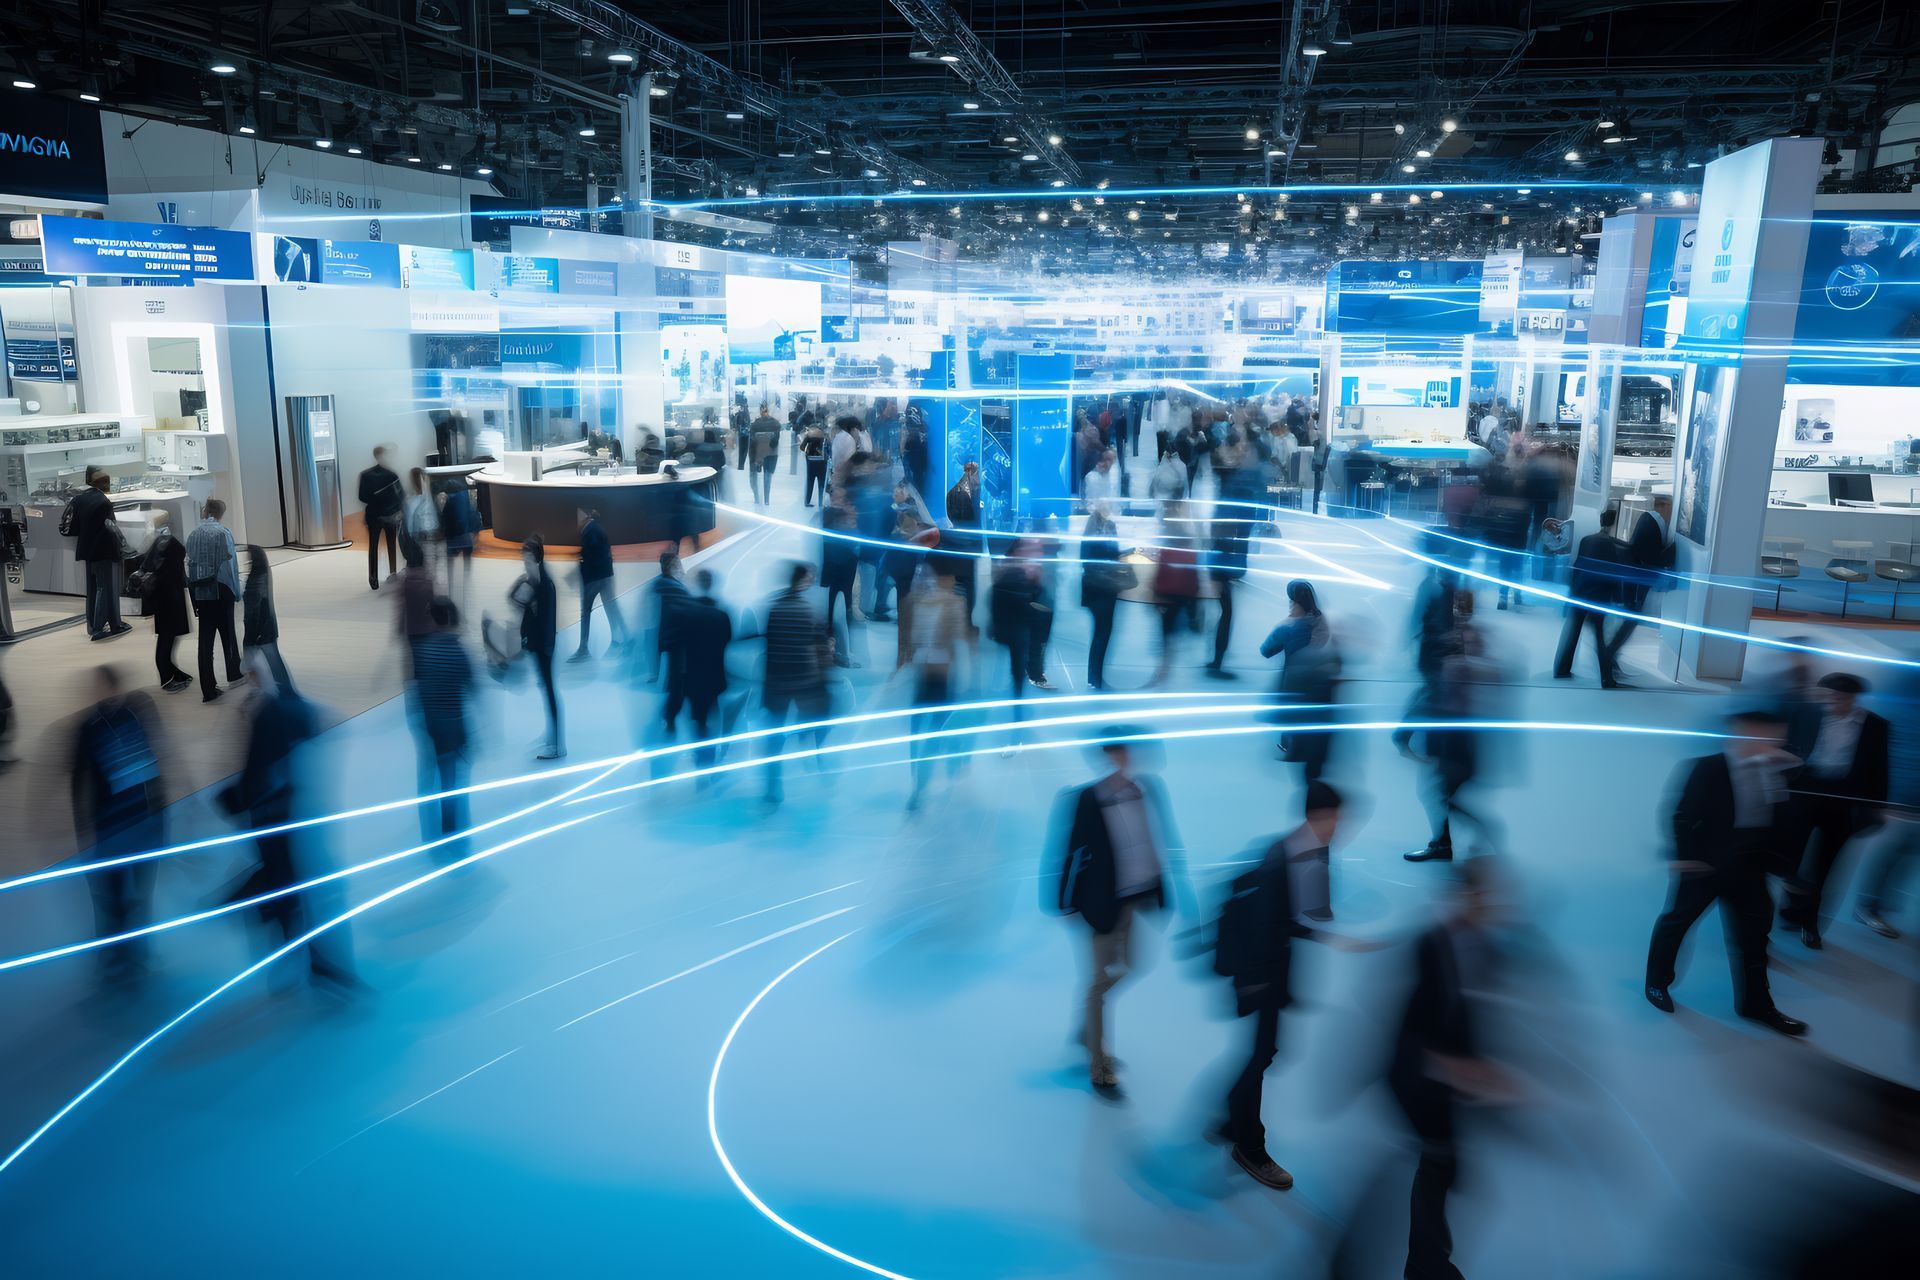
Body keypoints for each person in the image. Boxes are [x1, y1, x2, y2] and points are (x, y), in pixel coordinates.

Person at [1389, 855, 1522, 1280]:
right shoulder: (1430, 946)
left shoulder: (1488, 948)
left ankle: (1426, 1261)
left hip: (1453, 1079)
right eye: (1485, 895)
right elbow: (1411, 1036)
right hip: (1420, 1082)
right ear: (1465, 897)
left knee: (1444, 1167)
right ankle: (1424, 1265)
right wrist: (1467, 1072)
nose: (1495, 904)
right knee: (1436, 1164)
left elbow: (1480, 1011)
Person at [1210, 781, 1347, 1191]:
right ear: (1316, 817)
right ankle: (1249, 1146)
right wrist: (1252, 986)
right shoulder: (1279, 862)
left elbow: (1303, 915)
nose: (1340, 828)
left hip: (1272, 973)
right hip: (1260, 978)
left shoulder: (1304, 851)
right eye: (1335, 819)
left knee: (1262, 1053)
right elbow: (1261, 926)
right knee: (1259, 1056)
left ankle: (1230, 1117)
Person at [1644, 709, 1808, 1036]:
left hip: (1750, 867)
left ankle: (1756, 1006)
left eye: (1776, 737)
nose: (1773, 743)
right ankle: (1657, 983)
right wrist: (1684, 857)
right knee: (1677, 923)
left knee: (1754, 937)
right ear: (1741, 733)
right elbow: (1680, 814)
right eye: (1764, 735)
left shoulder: (1778, 771)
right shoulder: (1707, 768)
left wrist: (1787, 871)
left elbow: (1782, 825)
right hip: (1705, 865)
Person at [1053, 733, 1185, 1099]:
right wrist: (1062, 901)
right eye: (1123, 751)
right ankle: (1099, 1064)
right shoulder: (1086, 798)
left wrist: (1163, 887)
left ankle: (1087, 1023)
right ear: (1109, 755)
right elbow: (1069, 850)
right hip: (1102, 903)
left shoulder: (1147, 790)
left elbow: (1155, 838)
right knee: (1099, 981)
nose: (1130, 757)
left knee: (1132, 965)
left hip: (1136, 897)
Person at [217, 652, 359, 992]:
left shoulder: (264, 711)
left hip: (271, 817)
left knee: (284, 887)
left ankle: (299, 957)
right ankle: (311, 962)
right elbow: (318, 722)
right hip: (278, 817)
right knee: (289, 887)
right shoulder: (271, 710)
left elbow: (253, 770)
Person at [67, 665, 165, 986]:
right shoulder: (97, 725)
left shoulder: (113, 721)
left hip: (123, 826)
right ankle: (124, 955)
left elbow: (152, 765)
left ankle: (123, 955)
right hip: (122, 826)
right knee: (118, 898)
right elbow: (79, 780)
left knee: (121, 897)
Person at [1778, 672, 1889, 948]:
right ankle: (1791, 911)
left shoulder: (1875, 726)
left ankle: (1810, 922)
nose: (1828, 704)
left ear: (1852, 699)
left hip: (1842, 801)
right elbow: (1786, 747)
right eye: (1824, 698)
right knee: (1790, 860)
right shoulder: (1805, 713)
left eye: (1836, 699)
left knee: (1824, 867)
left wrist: (1874, 808)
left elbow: (1880, 769)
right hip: (1804, 793)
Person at [408, 598, 476, 858]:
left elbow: (419, 691)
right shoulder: (459, 652)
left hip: (432, 726)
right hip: (454, 726)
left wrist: (422, 722)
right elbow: (471, 690)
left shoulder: (424, 652)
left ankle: (433, 835)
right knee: (452, 781)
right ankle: (453, 832)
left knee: (431, 778)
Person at [760, 562, 832, 807]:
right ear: (804, 581)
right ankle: (815, 763)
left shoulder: (775, 608)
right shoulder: (811, 611)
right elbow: (821, 650)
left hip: (778, 682)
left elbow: (770, 649)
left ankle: (772, 786)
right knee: (815, 724)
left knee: (774, 736)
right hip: (805, 681)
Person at [906, 557, 970, 809]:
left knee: (919, 730)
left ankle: (918, 785)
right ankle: (941, 771)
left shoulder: (919, 602)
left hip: (923, 672)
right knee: (936, 730)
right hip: (942, 675)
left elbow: (914, 639)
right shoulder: (954, 603)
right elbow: (958, 639)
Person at [1260, 580, 1340, 783]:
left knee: (1289, 712)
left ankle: (1291, 748)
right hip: (1316, 679)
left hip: (1292, 678)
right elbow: (1320, 644)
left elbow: (1266, 650)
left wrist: (1288, 623)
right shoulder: (1320, 619)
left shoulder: (1290, 628)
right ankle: (1299, 745)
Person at [664, 568, 733, 781]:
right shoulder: (722, 616)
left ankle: (703, 765)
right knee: (711, 718)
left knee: (699, 721)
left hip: (693, 678)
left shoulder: (687, 616)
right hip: (714, 677)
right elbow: (727, 641)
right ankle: (709, 761)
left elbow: (672, 644)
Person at [1552, 507, 1625, 688]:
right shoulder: (1612, 545)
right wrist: (1618, 597)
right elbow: (1614, 572)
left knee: (1573, 632)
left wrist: (1572, 592)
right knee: (1600, 638)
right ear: (1614, 522)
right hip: (1598, 596)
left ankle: (1561, 669)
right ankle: (1607, 678)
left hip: (1580, 593)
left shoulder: (1587, 540)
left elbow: (1578, 566)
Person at [1601, 493, 1675, 667]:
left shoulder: (1649, 521)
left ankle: (1609, 655)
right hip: (1637, 580)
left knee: (1629, 618)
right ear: (1663, 506)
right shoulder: (1653, 524)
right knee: (1630, 618)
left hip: (1635, 578)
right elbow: (1649, 555)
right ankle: (1608, 655)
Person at [185, 499, 242, 704]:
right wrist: (235, 591)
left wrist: (193, 598)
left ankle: (208, 689)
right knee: (228, 634)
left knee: (205, 643)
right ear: (220, 513)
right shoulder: (223, 533)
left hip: (201, 592)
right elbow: (230, 566)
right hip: (221, 590)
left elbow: (189, 567)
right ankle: (234, 672)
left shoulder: (193, 535)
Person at [515, 535, 564, 760]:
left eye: (526, 557)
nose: (523, 561)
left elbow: (547, 621)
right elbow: (520, 605)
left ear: (536, 558)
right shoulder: (533, 581)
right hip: (538, 646)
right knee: (547, 690)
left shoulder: (545, 584)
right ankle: (552, 735)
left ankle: (556, 745)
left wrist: (543, 648)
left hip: (544, 647)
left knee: (550, 691)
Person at [990, 540, 1051, 709]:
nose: (1039, 554)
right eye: (1033, 549)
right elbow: (1015, 600)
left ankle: (1018, 696)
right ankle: (1017, 701)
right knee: (1016, 664)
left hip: (1020, 627)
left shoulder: (1021, 569)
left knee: (1016, 663)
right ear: (1019, 550)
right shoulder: (1013, 571)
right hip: (1015, 627)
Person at [70, 467, 130, 641]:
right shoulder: (104, 502)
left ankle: (93, 625)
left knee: (93, 589)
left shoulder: (80, 499)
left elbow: (74, 527)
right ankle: (99, 628)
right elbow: (111, 527)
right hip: (104, 551)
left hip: (86, 551)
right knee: (105, 588)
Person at [134, 523, 192, 693]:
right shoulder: (172, 559)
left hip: (164, 603)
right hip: (171, 603)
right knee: (167, 641)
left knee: (167, 640)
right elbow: (181, 577)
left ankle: (173, 673)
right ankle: (167, 679)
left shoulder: (158, 567)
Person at [1079, 504, 1130, 691]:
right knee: (1103, 633)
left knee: (1100, 633)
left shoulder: (1089, 528)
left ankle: (1095, 677)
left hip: (1092, 588)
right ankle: (1095, 678)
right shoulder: (1108, 527)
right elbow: (1112, 554)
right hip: (1105, 588)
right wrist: (1128, 552)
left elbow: (1086, 558)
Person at [570, 508, 630, 662]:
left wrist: (581, 560)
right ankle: (625, 639)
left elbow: (594, 554)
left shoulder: (591, 530)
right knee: (611, 608)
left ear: (585, 515)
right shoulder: (595, 528)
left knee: (588, 612)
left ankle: (584, 649)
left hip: (595, 578)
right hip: (603, 576)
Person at [1150, 506, 1201, 686]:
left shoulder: (1168, 544)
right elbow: (1192, 572)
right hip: (1180, 593)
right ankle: (1165, 666)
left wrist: (1155, 591)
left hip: (1168, 592)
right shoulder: (1187, 545)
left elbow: (1162, 569)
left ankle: (1163, 667)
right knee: (1170, 632)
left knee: (1166, 631)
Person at [241, 544, 292, 693]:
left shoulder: (256, 580)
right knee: (274, 663)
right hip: (266, 630)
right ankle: (285, 691)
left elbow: (254, 608)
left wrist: (251, 636)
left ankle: (268, 693)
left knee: (259, 665)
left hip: (259, 632)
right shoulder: (263, 574)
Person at [1206, 511, 1250, 679]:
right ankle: (1217, 662)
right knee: (1226, 615)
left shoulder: (1224, 514)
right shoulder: (1228, 517)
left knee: (1225, 614)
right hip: (1222, 570)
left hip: (1221, 569)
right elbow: (1220, 540)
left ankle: (1216, 660)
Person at [639, 549, 690, 687]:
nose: (683, 572)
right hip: (670, 640)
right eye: (680, 567)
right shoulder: (677, 590)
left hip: (659, 638)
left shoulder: (657, 585)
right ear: (672, 568)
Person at [820, 505, 861, 668]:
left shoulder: (830, 540)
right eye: (848, 518)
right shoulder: (843, 545)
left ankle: (838, 654)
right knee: (838, 622)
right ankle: (840, 655)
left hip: (834, 591)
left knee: (834, 622)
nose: (852, 520)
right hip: (838, 594)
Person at [358, 445, 405, 590]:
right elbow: (400, 496)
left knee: (373, 546)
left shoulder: (365, 475)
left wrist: (375, 500)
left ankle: (373, 578)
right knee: (391, 544)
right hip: (389, 514)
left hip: (373, 515)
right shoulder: (392, 475)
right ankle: (392, 573)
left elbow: (362, 497)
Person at [946, 460, 982, 629]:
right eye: (978, 474)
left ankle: (962, 620)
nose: (980, 479)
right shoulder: (962, 494)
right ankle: (965, 622)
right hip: (965, 544)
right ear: (970, 473)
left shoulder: (962, 490)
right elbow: (966, 521)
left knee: (963, 584)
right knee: (967, 585)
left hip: (963, 544)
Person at [439, 478, 478, 609]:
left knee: (450, 571)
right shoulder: (466, 498)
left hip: (452, 540)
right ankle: (466, 592)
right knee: (466, 569)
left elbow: (443, 521)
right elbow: (473, 515)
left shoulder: (449, 501)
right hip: (467, 539)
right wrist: (474, 532)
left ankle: (451, 595)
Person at [403, 467, 443, 582]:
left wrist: (410, 536)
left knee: (421, 565)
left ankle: (424, 590)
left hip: (420, 534)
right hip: (432, 531)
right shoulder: (429, 495)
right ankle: (429, 590)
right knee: (430, 565)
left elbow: (410, 521)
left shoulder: (412, 499)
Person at [749, 408, 783, 506]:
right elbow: (775, 440)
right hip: (771, 453)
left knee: (755, 476)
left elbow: (752, 440)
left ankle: (757, 498)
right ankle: (766, 499)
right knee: (768, 476)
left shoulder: (754, 425)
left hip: (757, 452)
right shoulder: (776, 424)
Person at [801, 413, 829, 507]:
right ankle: (821, 502)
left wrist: (808, 451)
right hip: (822, 462)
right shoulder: (824, 436)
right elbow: (828, 449)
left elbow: (802, 447)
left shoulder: (808, 436)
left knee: (810, 482)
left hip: (811, 462)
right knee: (821, 482)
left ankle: (807, 502)